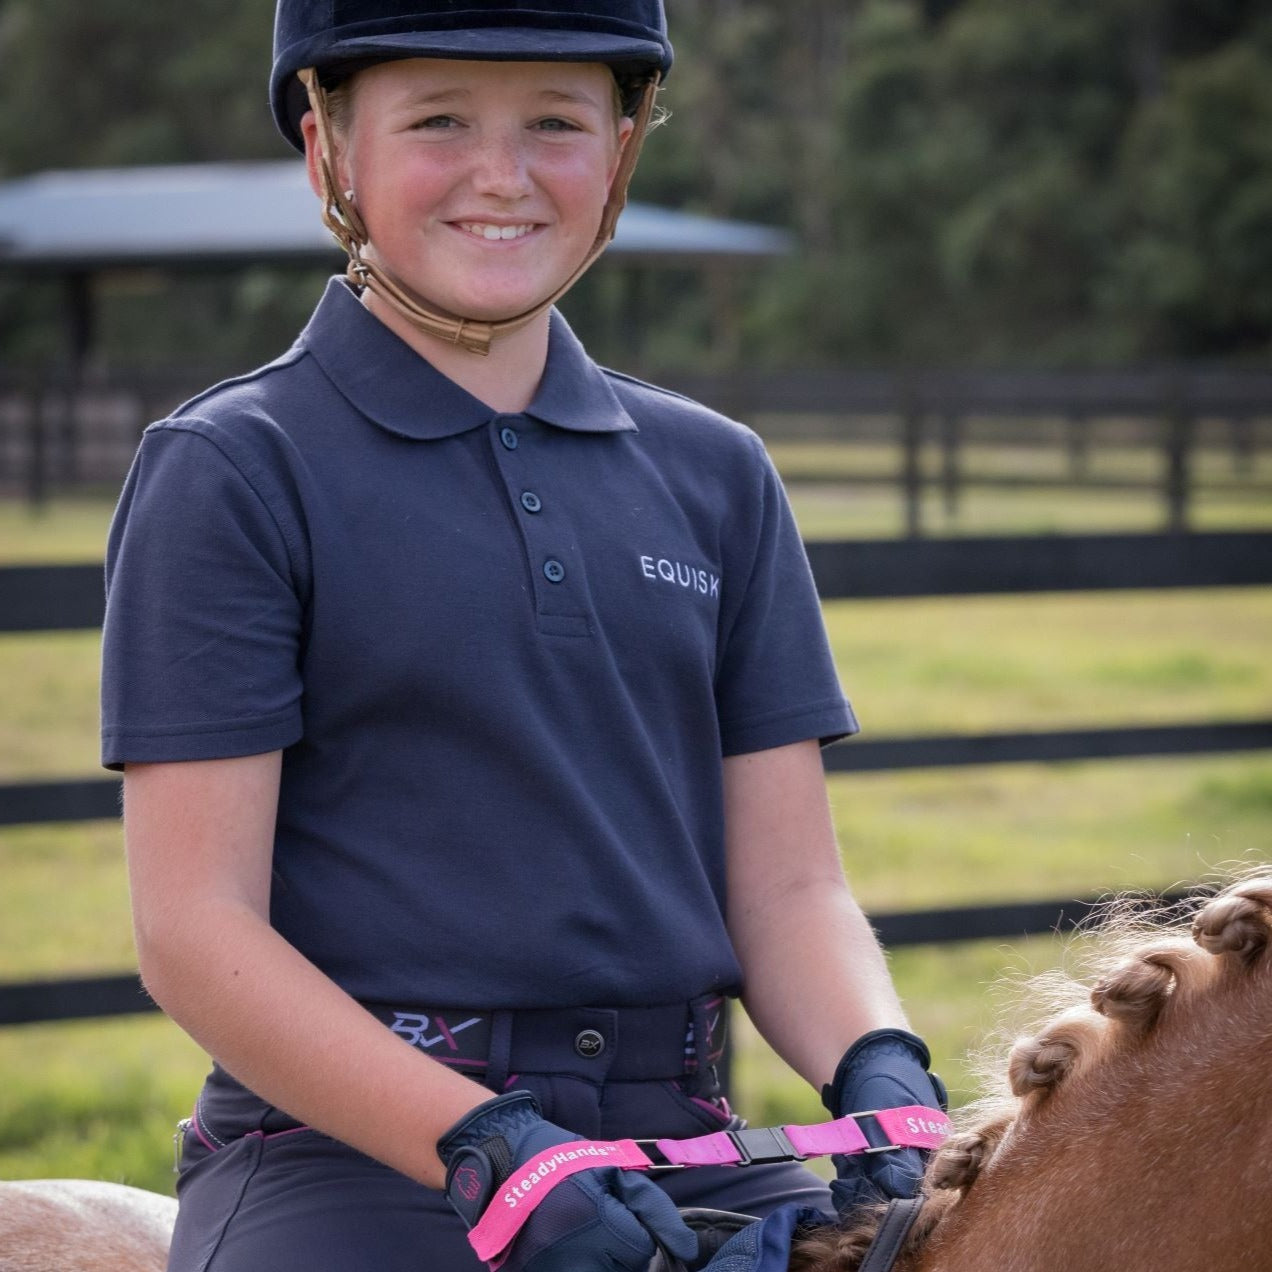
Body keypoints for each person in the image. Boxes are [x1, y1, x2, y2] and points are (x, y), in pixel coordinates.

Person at [100, 4, 945, 1270]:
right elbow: (195, 930)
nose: (503, 175)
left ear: (621, 148)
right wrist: (484, 1145)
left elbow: (788, 886)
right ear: (330, 146)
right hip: (358, 1158)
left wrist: (875, 1063)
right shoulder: (233, 470)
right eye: (439, 121)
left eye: (555, 123)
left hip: (688, 1140)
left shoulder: (717, 475)